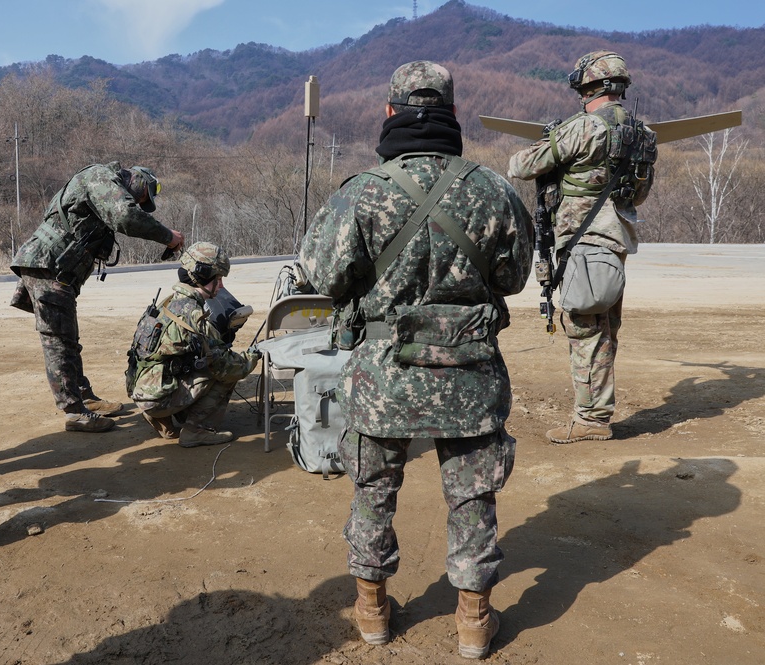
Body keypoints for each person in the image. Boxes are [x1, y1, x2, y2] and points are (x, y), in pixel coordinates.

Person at [299, 61, 532, 658]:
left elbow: (323, 275)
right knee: (473, 496)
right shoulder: (494, 190)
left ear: (389, 114)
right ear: (453, 116)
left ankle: (373, 612)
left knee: (373, 489)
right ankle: (474, 623)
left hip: (384, 378)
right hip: (470, 375)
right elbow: (512, 277)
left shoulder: (360, 193)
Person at [508, 50, 657, 444]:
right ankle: (596, 412)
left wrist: (549, 144)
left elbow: (521, 167)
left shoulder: (585, 128)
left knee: (583, 326)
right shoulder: (640, 133)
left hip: (584, 241)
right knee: (604, 327)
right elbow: (638, 195)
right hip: (616, 237)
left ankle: (590, 419)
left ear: (589, 85)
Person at [10, 163, 184, 433]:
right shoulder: (101, 177)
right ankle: (74, 411)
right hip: (47, 267)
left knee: (67, 337)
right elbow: (125, 217)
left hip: (56, 268)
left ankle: (84, 397)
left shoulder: (103, 183)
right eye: (141, 197)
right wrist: (167, 236)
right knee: (59, 341)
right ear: (137, 182)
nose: (138, 203)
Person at [128, 242, 261, 446]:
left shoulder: (166, 303)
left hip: (141, 390)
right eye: (219, 279)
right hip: (158, 396)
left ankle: (163, 418)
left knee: (194, 362)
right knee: (225, 372)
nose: (221, 285)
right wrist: (253, 356)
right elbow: (227, 367)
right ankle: (197, 430)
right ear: (206, 278)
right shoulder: (195, 318)